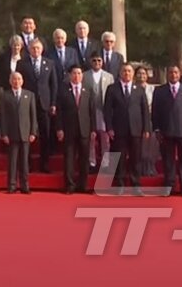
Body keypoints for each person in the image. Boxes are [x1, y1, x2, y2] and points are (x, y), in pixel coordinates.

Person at [152, 65, 182, 197]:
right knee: (168, 161)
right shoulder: (159, 91)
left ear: (180, 74)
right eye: (171, 72)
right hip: (166, 131)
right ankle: (169, 186)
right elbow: (155, 112)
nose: (173, 74)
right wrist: (156, 129)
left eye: (176, 72)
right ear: (168, 74)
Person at [104, 63, 151, 193]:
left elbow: (145, 110)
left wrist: (146, 128)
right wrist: (109, 128)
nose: (127, 74)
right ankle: (120, 183)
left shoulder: (139, 89)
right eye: (124, 71)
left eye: (129, 71)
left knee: (136, 158)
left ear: (133, 74)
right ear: (120, 73)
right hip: (119, 129)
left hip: (136, 129)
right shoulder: (112, 89)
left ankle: (136, 184)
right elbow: (107, 110)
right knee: (120, 157)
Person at [57, 65, 97, 194]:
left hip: (85, 129)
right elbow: (59, 112)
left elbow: (92, 111)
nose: (77, 76)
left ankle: (82, 185)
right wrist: (59, 128)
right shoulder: (63, 90)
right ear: (70, 75)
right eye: (74, 73)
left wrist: (93, 129)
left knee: (84, 159)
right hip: (69, 129)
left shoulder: (88, 90)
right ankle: (69, 185)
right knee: (69, 159)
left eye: (79, 73)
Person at [0, 70, 37, 194]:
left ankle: (25, 185)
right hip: (11, 133)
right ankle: (12, 185)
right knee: (12, 162)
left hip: (25, 133)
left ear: (22, 81)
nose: (16, 81)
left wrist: (33, 132)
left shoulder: (29, 95)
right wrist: (4, 133)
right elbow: (2, 116)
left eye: (19, 79)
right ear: (10, 81)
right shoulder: (4, 95)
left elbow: (33, 115)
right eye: (14, 79)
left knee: (24, 162)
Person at [21, 39, 57, 173]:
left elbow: (54, 85)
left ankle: (45, 163)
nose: (35, 51)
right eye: (33, 48)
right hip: (27, 103)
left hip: (45, 104)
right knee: (27, 134)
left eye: (38, 48)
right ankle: (27, 164)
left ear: (41, 49)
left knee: (45, 134)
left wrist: (53, 103)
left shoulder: (49, 63)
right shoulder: (22, 63)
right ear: (29, 49)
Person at [83, 53, 114, 173]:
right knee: (91, 137)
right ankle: (92, 162)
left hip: (103, 110)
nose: (97, 63)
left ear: (102, 62)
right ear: (91, 61)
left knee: (105, 138)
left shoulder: (109, 76)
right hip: (89, 110)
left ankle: (105, 163)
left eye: (99, 61)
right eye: (94, 60)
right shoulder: (85, 75)